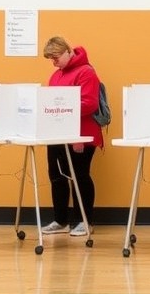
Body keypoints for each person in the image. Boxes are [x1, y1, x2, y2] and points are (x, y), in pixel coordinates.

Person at [40, 37, 104, 237]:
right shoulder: (55, 76)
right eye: (51, 59)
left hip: (82, 134)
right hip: (58, 134)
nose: (54, 62)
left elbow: (90, 103)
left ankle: (84, 221)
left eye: (56, 57)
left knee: (79, 176)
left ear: (68, 51)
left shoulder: (86, 72)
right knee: (57, 176)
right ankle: (60, 220)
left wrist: (61, 108)